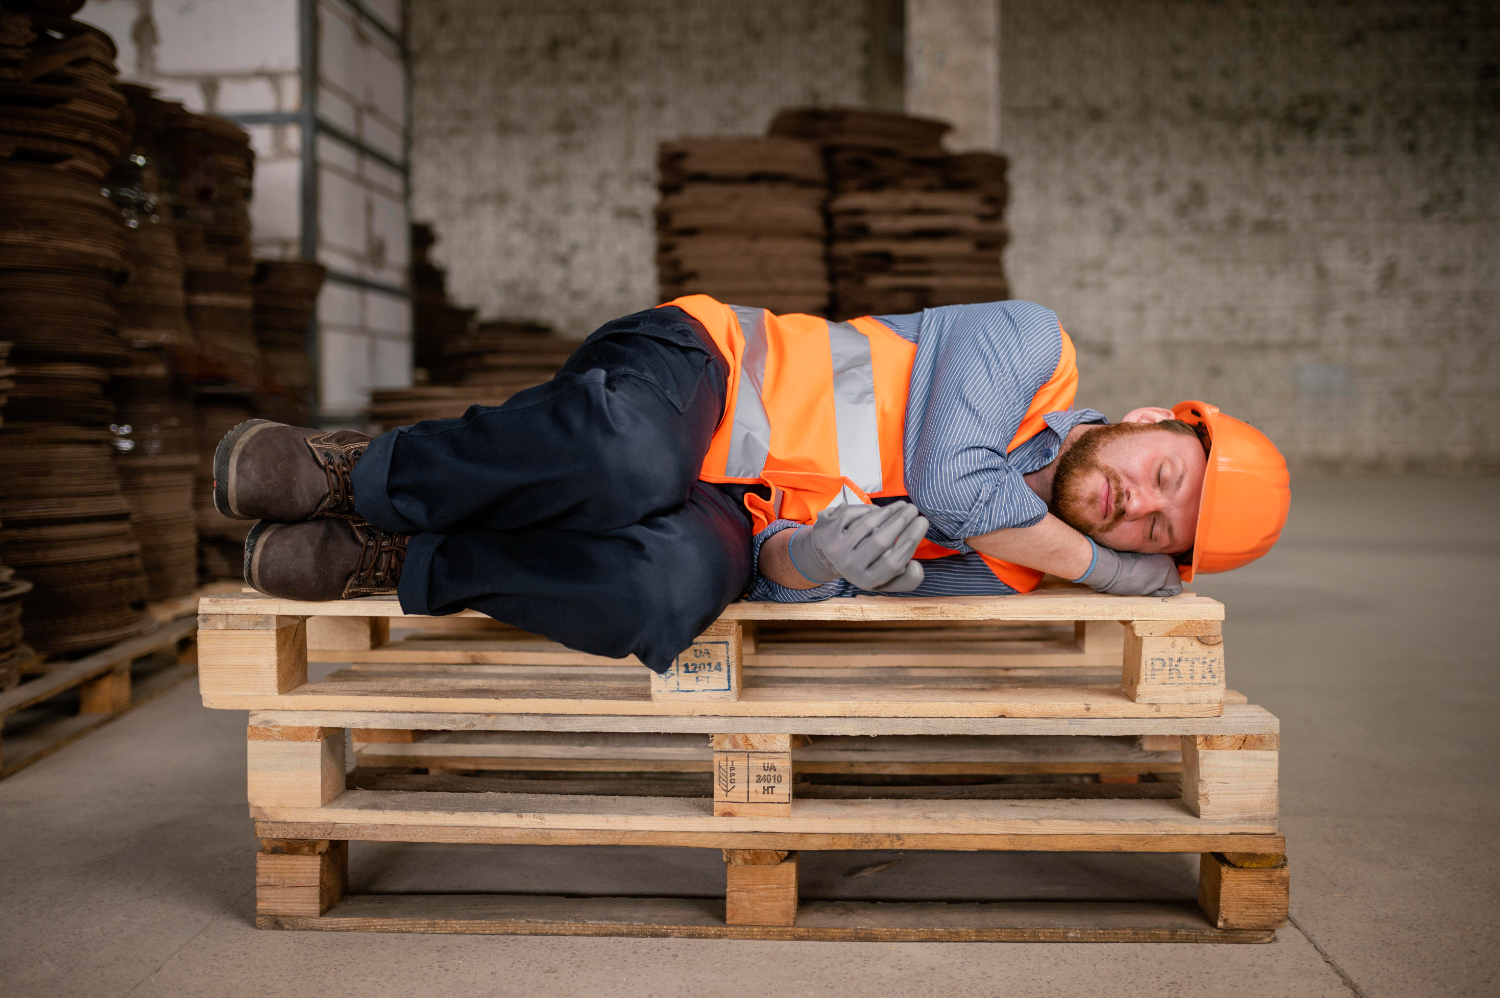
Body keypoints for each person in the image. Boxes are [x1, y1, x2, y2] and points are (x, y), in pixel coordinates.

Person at [215, 296, 1290, 673]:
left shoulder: (1006, 577)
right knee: (627, 460)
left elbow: (777, 576)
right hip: (703, 370)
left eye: (1160, 526)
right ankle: (362, 474)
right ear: (1155, 418)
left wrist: (816, 564)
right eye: (1163, 473)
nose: (1136, 504)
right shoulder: (1032, 347)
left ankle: (403, 557)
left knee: (661, 596)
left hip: (732, 511)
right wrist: (1108, 570)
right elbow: (949, 482)